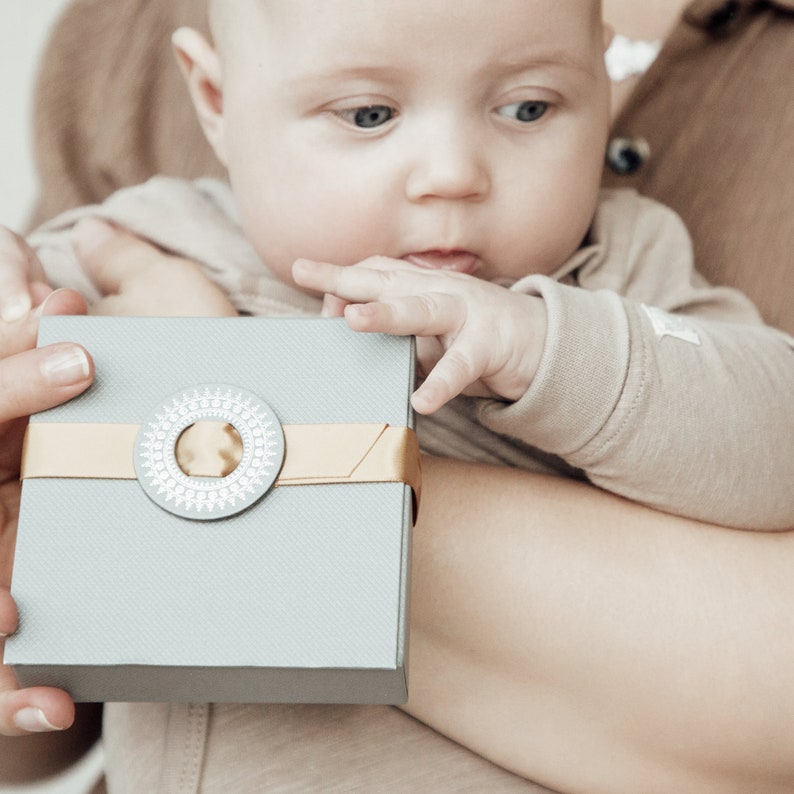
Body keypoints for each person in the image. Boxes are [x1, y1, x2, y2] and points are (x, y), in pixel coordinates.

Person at [1, 2, 793, 793]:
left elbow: (779, 447)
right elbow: (42, 721)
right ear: (215, 98)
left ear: (599, 66)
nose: (453, 172)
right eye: (370, 114)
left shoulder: (613, 273)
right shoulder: (138, 245)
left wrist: (545, 349)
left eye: (528, 107)